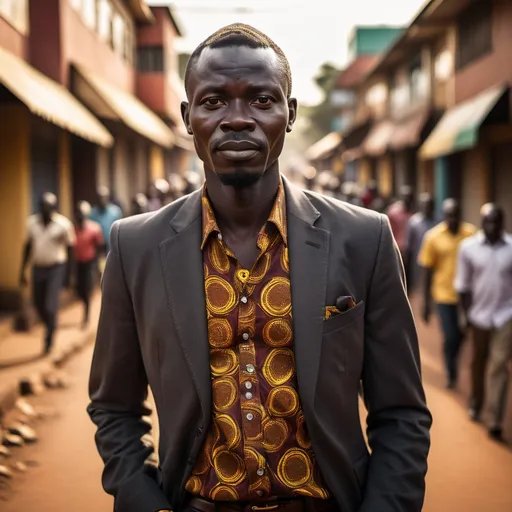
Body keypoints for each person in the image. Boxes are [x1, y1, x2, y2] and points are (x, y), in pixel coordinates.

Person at [88, 24, 431, 512]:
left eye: (261, 100)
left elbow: (401, 412)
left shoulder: (364, 239)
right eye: (213, 102)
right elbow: (114, 407)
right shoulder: (135, 246)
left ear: (289, 114)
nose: (237, 119)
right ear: (188, 117)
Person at [455, 204, 512, 441]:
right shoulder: (468, 248)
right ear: (481, 222)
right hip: (478, 315)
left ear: (503, 223)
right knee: (478, 363)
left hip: (505, 316)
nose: (492, 227)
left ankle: (495, 419)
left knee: (498, 365)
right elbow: (463, 285)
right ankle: (476, 402)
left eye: (496, 222)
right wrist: (465, 315)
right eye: (487, 222)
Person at [418, 198, 477, 388]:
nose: (452, 218)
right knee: (450, 336)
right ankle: (451, 372)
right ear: (443, 216)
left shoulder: (471, 234)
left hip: (467, 297)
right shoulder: (433, 237)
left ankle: (452, 354)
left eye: (455, 215)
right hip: (443, 295)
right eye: (448, 215)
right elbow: (427, 270)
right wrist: (425, 303)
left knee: (462, 335)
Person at [19, 193, 75, 354]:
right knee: (38, 303)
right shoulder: (31, 223)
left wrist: (69, 275)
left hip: (55, 268)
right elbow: (28, 247)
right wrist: (22, 271)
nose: (46, 210)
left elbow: (70, 250)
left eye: (49, 207)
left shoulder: (63, 225)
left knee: (50, 306)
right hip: (38, 268)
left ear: (54, 208)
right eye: (43, 207)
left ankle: (49, 339)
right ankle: (51, 324)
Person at [74, 201, 104, 328]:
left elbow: (100, 246)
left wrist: (97, 264)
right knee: (78, 289)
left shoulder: (94, 228)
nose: (80, 216)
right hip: (77, 264)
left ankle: (86, 315)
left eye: (82, 214)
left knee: (86, 289)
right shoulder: (72, 229)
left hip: (90, 263)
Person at [405, 193, 436, 294]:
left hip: (434, 263)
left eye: (429, 205)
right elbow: (409, 246)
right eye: (425, 205)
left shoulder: (438, 222)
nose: (427, 208)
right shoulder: (414, 222)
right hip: (417, 262)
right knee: (419, 290)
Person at [386, 185, 414, 263]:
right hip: (397, 249)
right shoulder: (393, 212)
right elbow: (388, 231)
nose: (407, 200)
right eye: (405, 197)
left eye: (409, 197)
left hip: (410, 251)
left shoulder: (414, 212)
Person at [90, 186, 123, 252]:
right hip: (98, 249)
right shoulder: (92, 213)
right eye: (100, 197)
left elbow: (121, 230)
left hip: (113, 247)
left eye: (104, 197)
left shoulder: (115, 211)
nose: (102, 199)